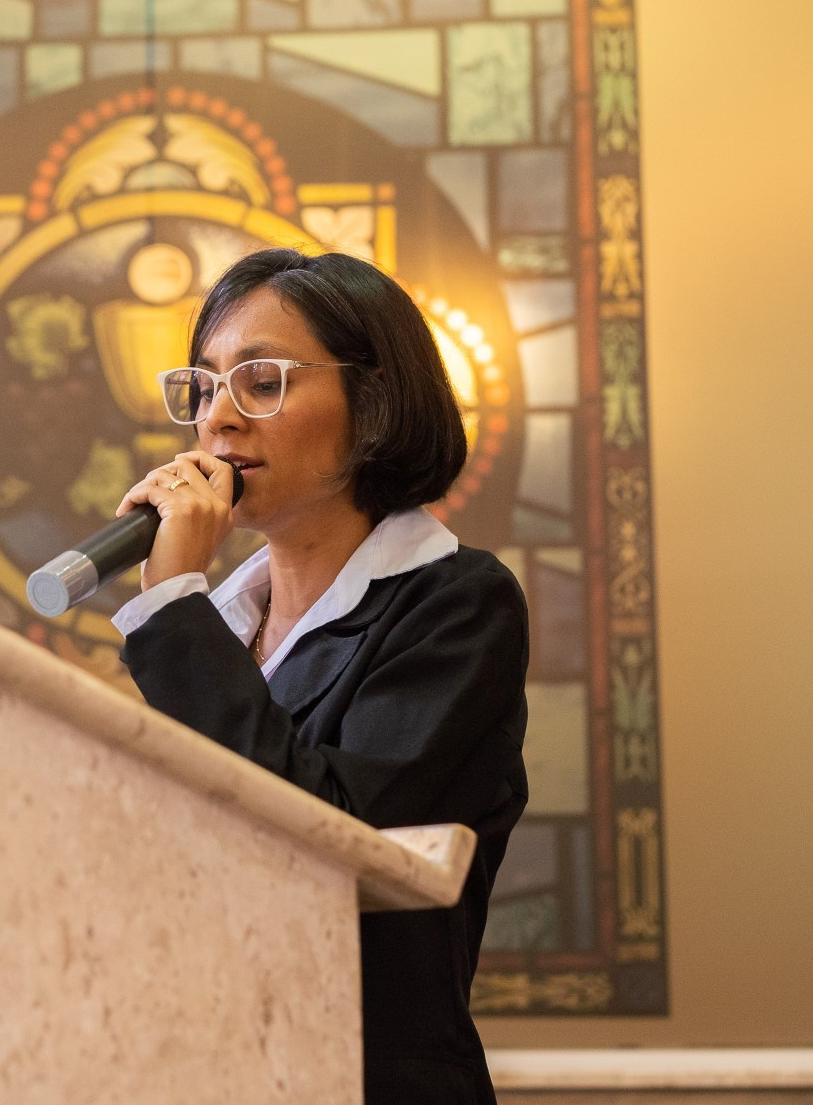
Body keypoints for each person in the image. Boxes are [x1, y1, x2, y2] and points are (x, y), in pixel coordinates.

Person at [110, 248, 530, 1105]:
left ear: (372, 403)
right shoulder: (223, 624)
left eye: (262, 380)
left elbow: (326, 834)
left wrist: (173, 609)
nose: (220, 420)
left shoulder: (457, 605)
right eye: (207, 385)